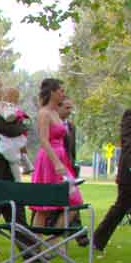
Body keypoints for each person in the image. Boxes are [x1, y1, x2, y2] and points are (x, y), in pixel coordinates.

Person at [0, 73, 38, 252]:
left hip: (5, 165)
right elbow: (6, 128)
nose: (2, 89)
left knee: (14, 208)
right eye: (0, 85)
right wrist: (21, 127)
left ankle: (29, 250)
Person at [29, 78, 83, 229]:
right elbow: (44, 140)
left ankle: (54, 238)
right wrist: (56, 162)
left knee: (75, 200)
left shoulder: (55, 113)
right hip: (49, 160)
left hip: (61, 158)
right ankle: (38, 244)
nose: (63, 93)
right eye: (61, 90)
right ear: (52, 92)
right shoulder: (44, 113)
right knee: (44, 207)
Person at [93, 108, 131, 252]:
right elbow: (128, 143)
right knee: (121, 206)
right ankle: (97, 240)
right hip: (128, 173)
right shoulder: (129, 115)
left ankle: (97, 240)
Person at [0, 87, 30, 182]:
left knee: (16, 155)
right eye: (14, 96)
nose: (14, 98)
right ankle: (23, 168)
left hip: (15, 135)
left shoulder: (14, 107)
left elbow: (26, 120)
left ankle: (24, 166)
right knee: (14, 156)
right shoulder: (5, 106)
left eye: (16, 97)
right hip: (12, 136)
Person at [59, 96, 78, 176]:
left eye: (71, 108)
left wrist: (72, 163)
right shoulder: (52, 125)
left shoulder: (72, 126)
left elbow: (72, 150)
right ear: (58, 107)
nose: (69, 111)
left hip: (69, 167)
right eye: (67, 108)